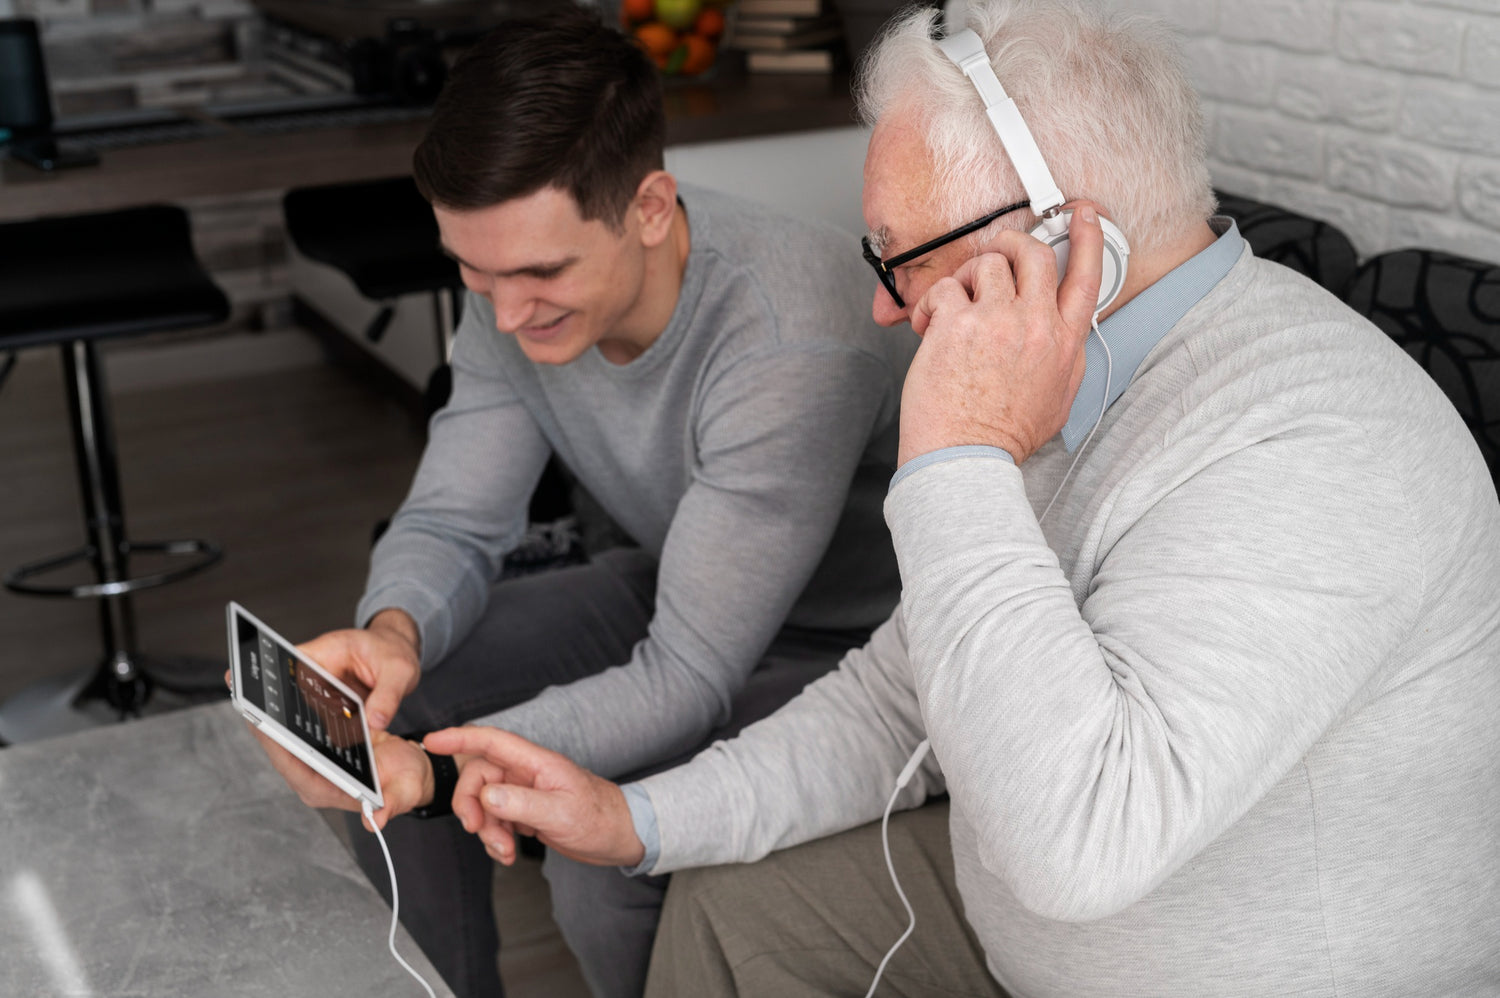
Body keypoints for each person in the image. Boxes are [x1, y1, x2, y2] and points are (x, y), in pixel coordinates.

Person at [421, 1, 1500, 995]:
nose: (885, 308)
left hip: (1219, 960)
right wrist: (633, 819)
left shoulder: (1313, 445)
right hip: (1016, 922)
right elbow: (900, 702)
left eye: (902, 257)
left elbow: (1078, 846)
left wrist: (958, 455)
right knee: (726, 913)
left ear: (1067, 242)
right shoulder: (1066, 375)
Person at [243, 8, 919, 998]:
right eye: (475, 273)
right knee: (409, 688)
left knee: (598, 864)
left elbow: (687, 676)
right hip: (681, 586)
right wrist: (393, 633)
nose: (507, 313)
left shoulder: (791, 338)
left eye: (540, 274)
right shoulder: (508, 290)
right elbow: (452, 521)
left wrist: (432, 771)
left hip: (856, 649)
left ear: (649, 207)